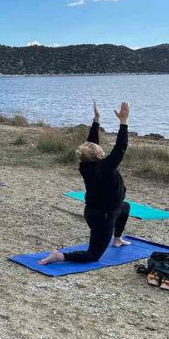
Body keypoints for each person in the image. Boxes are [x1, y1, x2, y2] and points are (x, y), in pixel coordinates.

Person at [39, 101, 132, 265]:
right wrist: (123, 122)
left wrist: (96, 120)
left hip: (106, 210)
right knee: (93, 256)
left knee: (125, 207)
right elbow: (120, 148)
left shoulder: (86, 164)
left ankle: (117, 239)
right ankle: (60, 256)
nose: (100, 148)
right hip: (102, 217)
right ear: (98, 156)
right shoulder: (104, 167)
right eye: (98, 149)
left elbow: (91, 143)